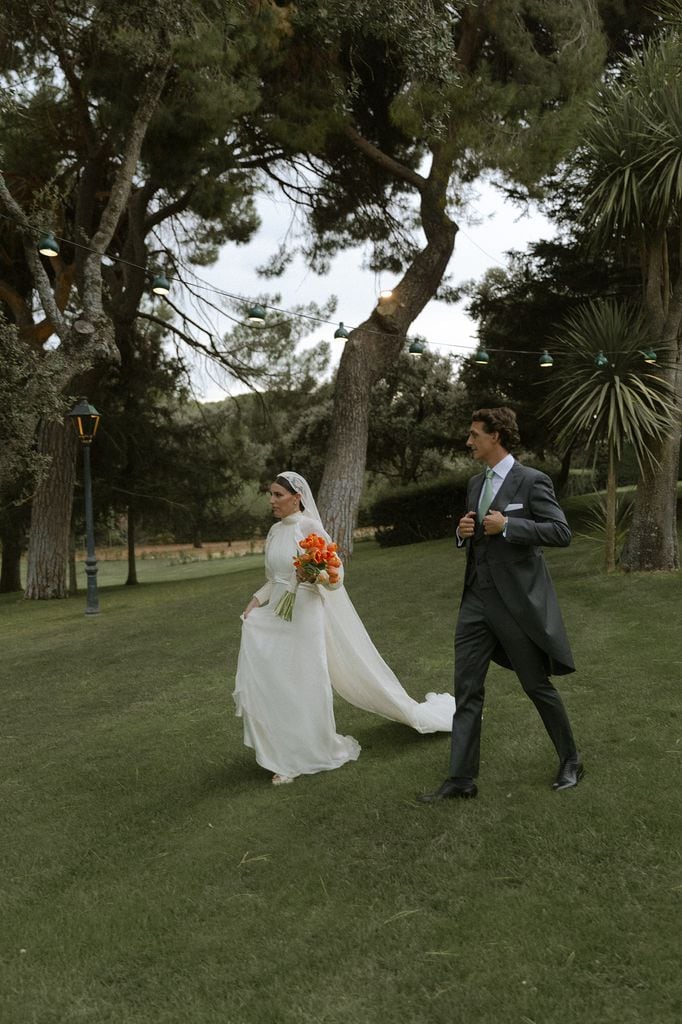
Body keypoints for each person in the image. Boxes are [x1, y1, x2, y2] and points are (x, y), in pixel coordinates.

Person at [233, 471, 455, 785]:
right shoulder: (273, 532)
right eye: (270, 495)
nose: (271, 500)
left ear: (296, 497)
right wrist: (256, 601)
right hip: (279, 613)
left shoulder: (310, 528)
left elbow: (336, 577)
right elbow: (274, 579)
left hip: (307, 614)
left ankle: (312, 749)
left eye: (277, 495)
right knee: (278, 681)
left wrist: (316, 576)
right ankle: (282, 749)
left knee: (306, 681)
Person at [418, 407, 582, 802]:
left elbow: (560, 532)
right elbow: (476, 538)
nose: (469, 441)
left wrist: (509, 526)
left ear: (497, 437)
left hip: (514, 606)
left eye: (475, 435)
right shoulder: (476, 484)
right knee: (466, 689)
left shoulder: (532, 481)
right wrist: (463, 532)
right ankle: (461, 779)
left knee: (535, 685)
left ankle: (571, 759)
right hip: (475, 602)